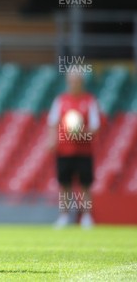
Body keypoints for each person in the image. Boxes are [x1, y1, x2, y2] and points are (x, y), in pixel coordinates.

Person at [47, 70, 101, 229]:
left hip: (84, 151)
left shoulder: (89, 100)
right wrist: (52, 140)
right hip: (64, 150)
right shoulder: (61, 100)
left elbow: (95, 126)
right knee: (64, 184)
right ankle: (64, 216)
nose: (73, 84)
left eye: (76, 80)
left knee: (85, 185)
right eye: (71, 81)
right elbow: (53, 122)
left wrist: (80, 133)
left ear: (81, 82)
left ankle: (86, 216)